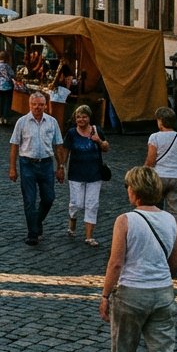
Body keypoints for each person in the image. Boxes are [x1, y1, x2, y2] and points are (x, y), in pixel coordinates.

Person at [100, 166, 177, 352]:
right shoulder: (171, 220)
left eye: (128, 186)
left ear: (135, 191)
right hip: (163, 293)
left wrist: (105, 295)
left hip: (132, 295)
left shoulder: (125, 220)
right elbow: (174, 264)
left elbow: (116, 263)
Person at [9, 91, 66, 245]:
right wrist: (12, 168)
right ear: (30, 105)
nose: (37, 107)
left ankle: (37, 221)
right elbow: (14, 145)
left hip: (47, 163)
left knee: (49, 198)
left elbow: (58, 146)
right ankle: (32, 233)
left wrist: (61, 166)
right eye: (34, 105)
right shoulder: (22, 122)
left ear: (45, 105)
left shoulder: (52, 122)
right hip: (27, 163)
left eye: (41, 105)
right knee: (29, 200)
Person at [65, 105, 110, 246]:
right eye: (78, 117)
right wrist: (61, 166)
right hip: (76, 173)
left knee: (92, 204)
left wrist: (98, 141)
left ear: (89, 118)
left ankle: (89, 236)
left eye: (84, 116)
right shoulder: (72, 133)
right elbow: (65, 150)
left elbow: (106, 147)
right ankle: (72, 220)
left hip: (94, 173)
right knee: (76, 203)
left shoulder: (96, 130)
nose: (81, 119)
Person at [146, 107, 177, 226]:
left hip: (159, 176)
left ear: (160, 121)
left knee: (156, 207)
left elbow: (151, 160)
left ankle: (158, 229)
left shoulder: (154, 137)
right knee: (176, 211)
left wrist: (145, 173)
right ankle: (175, 234)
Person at [0, 51, 14, 124]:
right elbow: (12, 74)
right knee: (7, 102)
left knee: (1, 102)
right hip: (7, 86)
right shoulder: (7, 66)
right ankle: (6, 118)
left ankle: (0, 118)